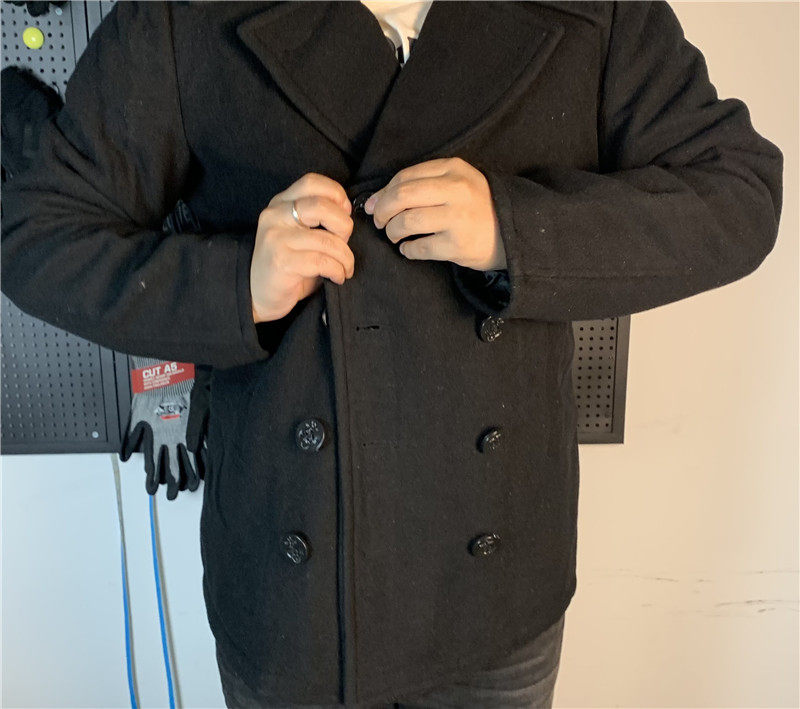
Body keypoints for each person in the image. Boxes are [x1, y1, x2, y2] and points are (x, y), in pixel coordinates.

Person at [0, 1, 783, 708]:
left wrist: (515, 231)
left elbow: (738, 191)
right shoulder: (184, 17)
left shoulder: (595, 12)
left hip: (497, 594)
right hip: (292, 594)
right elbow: (38, 235)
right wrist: (236, 283)